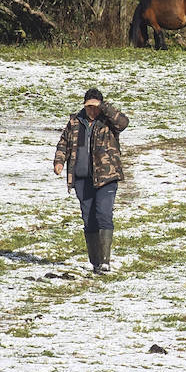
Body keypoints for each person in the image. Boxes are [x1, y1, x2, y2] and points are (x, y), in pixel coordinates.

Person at [53, 88, 129, 273]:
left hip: (106, 177)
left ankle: (105, 261)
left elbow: (124, 122)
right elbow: (63, 142)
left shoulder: (108, 122)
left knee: (103, 214)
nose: (91, 111)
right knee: (88, 218)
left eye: (94, 107)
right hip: (81, 178)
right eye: (88, 107)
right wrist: (59, 162)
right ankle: (95, 262)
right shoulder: (74, 122)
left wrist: (103, 107)